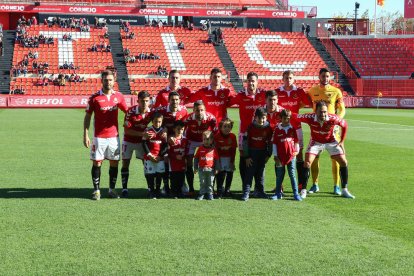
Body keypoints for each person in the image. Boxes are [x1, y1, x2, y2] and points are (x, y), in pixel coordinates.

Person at [294, 101, 355, 199]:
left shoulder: (333, 118)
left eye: (325, 112)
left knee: (343, 161)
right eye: (320, 112)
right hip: (315, 142)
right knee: (307, 162)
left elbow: (344, 125)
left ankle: (344, 190)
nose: (323, 114)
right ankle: (303, 190)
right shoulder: (309, 117)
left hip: (331, 141)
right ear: (315, 111)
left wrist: (342, 141)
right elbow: (294, 116)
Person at [83, 70, 128, 200]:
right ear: (101, 81)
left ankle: (111, 190)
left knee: (114, 163)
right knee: (97, 163)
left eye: (110, 80)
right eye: (105, 80)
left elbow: (128, 112)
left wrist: (127, 124)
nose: (108, 82)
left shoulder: (118, 96)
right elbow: (87, 116)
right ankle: (96, 191)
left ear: (114, 81)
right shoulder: (94, 97)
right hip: (99, 138)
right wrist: (85, 134)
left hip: (114, 137)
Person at [307, 68, 346, 195]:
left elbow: (342, 109)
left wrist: (337, 121)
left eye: (328, 76)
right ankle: (315, 184)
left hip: (332, 129)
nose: (325, 78)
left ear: (330, 77)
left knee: (335, 158)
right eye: (323, 76)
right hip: (316, 129)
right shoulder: (312, 91)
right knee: (314, 157)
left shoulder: (336, 91)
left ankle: (336, 186)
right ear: (319, 77)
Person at [228, 71, 266, 192]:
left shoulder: (263, 94)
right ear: (246, 82)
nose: (251, 83)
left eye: (253, 80)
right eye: (249, 80)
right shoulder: (240, 95)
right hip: (244, 133)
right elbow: (227, 102)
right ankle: (246, 186)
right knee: (244, 159)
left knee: (259, 160)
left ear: (257, 82)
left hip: (260, 132)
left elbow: (275, 101)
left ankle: (258, 188)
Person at [276, 70, 312, 191]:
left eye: (290, 78)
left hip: (296, 127)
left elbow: (308, 103)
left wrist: (298, 106)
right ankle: (279, 186)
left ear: (294, 79)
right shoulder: (278, 92)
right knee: (280, 155)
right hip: (282, 128)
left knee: (299, 154)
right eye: (286, 78)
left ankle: (301, 184)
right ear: (283, 79)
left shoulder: (299, 91)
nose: (288, 80)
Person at [121, 90, 152, 198]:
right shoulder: (130, 112)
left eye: (147, 101)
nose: (144, 103)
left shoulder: (151, 112)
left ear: (149, 101)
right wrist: (143, 133)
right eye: (142, 101)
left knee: (146, 164)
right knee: (125, 163)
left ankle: (150, 188)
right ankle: (124, 189)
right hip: (128, 141)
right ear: (138, 101)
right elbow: (127, 131)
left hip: (141, 142)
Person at [156, 91, 188, 195]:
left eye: (177, 99)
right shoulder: (162, 110)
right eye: (172, 99)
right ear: (168, 100)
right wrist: (163, 130)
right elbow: (156, 122)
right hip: (165, 142)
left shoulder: (183, 110)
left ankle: (182, 183)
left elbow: (184, 126)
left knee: (181, 162)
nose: (175, 101)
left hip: (178, 141)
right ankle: (165, 186)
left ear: (180, 101)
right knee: (165, 163)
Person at [183, 100, 217, 196]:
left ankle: (211, 188)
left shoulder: (211, 118)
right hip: (191, 141)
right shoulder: (188, 118)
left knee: (210, 162)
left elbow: (216, 131)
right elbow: (182, 130)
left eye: (202, 110)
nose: (199, 112)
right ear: (193, 110)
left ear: (205, 110)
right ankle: (191, 189)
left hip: (204, 141)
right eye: (197, 110)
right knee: (188, 163)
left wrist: (212, 143)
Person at [241, 107, 273, 201]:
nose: (262, 120)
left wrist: (268, 154)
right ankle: (246, 192)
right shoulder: (250, 127)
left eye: (264, 118)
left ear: (266, 117)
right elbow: (245, 142)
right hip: (252, 154)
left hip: (262, 153)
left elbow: (270, 142)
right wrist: (246, 156)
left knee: (260, 173)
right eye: (260, 118)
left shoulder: (268, 128)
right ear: (255, 117)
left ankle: (260, 191)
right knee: (249, 173)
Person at [271, 109, 302, 201]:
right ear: (281, 118)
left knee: (292, 174)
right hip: (280, 157)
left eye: (288, 118)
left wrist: (296, 151)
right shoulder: (277, 129)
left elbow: (296, 141)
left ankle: (296, 194)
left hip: (291, 156)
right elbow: (274, 143)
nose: (287, 120)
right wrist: (275, 156)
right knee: (279, 175)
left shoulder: (292, 129)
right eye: (285, 118)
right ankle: (278, 193)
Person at [143, 112, 168, 199]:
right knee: (150, 174)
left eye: (159, 122)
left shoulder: (163, 132)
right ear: (152, 121)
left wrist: (160, 156)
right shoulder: (148, 130)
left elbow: (165, 145)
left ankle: (157, 190)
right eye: (155, 121)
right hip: (149, 158)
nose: (157, 123)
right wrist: (149, 155)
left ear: (162, 122)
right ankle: (151, 190)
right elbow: (144, 143)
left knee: (159, 174)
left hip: (159, 158)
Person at [214, 118, 237, 198]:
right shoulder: (217, 136)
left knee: (230, 174)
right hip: (220, 159)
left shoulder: (233, 136)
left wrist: (232, 162)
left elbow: (233, 150)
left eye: (229, 127)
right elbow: (216, 151)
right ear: (220, 127)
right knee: (220, 174)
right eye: (225, 126)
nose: (227, 128)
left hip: (229, 159)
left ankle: (227, 190)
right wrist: (218, 162)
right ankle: (219, 191)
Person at [194, 130, 219, 200]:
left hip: (211, 170)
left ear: (211, 140)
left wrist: (217, 168)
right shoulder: (200, 148)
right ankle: (202, 193)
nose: (206, 141)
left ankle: (210, 194)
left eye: (207, 139)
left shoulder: (213, 149)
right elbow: (196, 158)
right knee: (202, 182)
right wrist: (195, 167)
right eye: (204, 139)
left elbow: (217, 159)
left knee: (210, 182)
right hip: (201, 169)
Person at [168, 120, 188, 198]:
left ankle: (179, 192)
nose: (180, 131)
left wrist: (185, 156)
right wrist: (175, 156)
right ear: (174, 129)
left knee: (181, 178)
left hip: (182, 164)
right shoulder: (171, 140)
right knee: (173, 179)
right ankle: (173, 192)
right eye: (178, 129)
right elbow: (168, 152)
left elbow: (186, 150)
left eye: (182, 129)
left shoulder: (185, 140)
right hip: (173, 164)